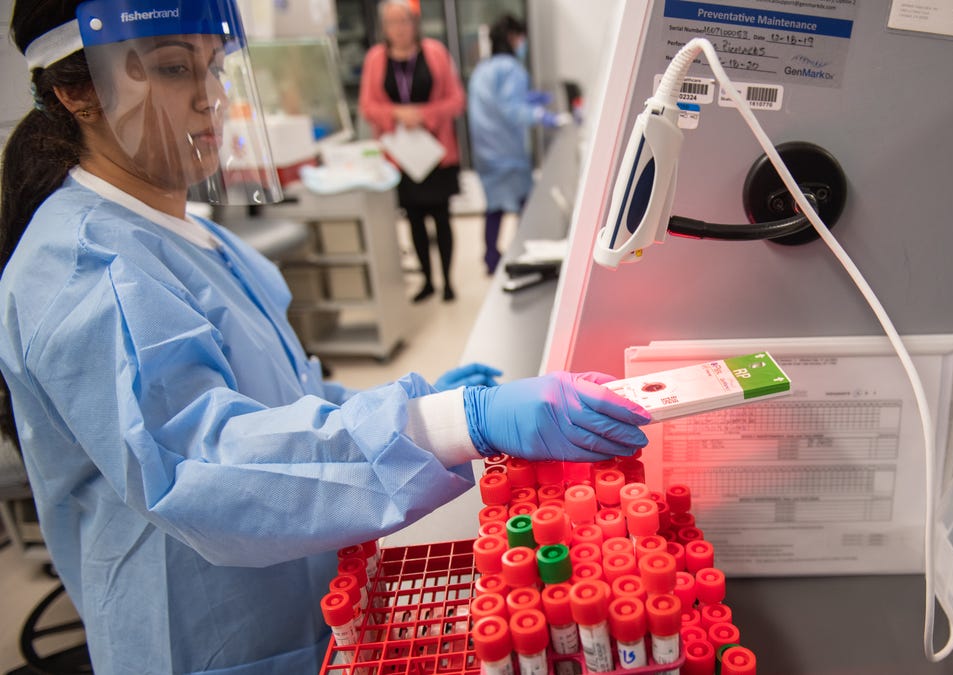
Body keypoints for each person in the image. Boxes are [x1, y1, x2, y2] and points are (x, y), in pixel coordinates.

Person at [0, 2, 650, 673]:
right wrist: (462, 422)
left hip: (300, 602)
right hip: (205, 639)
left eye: (215, 67)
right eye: (171, 68)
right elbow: (207, 462)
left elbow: (282, 402)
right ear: (76, 92)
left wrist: (421, 402)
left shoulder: (186, 232)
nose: (209, 97)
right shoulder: (86, 270)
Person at [359, 0, 464, 302]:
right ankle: (427, 281)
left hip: (435, 152)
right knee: (414, 220)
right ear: (384, 27)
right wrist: (395, 114)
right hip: (401, 155)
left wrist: (424, 113)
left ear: (414, 24)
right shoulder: (376, 59)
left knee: (442, 218)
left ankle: (448, 281)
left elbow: (456, 100)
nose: (399, 29)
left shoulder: (435, 53)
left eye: (403, 22)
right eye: (392, 23)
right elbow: (368, 106)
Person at [467, 14, 566, 276]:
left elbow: (500, 103)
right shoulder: (511, 69)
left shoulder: (483, 69)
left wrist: (531, 99)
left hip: (486, 153)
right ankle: (526, 253)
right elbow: (512, 110)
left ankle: (490, 257)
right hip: (507, 153)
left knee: (494, 206)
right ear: (513, 38)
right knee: (525, 206)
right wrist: (545, 117)